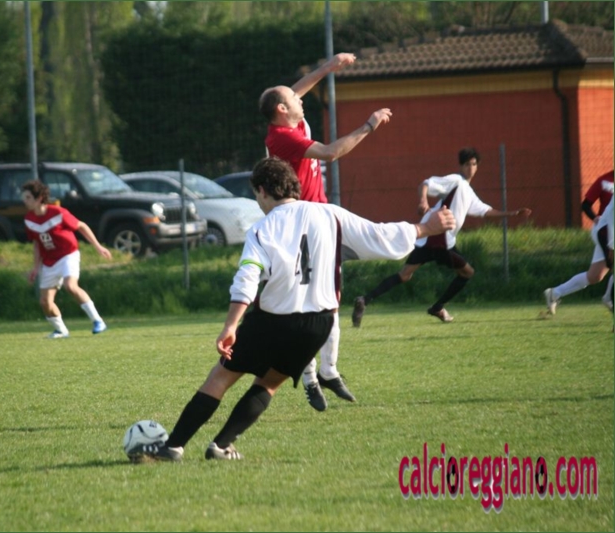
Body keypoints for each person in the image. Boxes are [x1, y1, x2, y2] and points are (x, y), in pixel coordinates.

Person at [131, 157, 456, 462]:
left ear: (262, 190)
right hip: (317, 324)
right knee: (269, 383)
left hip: (272, 320)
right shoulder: (330, 215)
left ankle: (173, 446)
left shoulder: (263, 228)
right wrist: (425, 229)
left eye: (256, 194)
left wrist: (231, 324)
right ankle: (221, 445)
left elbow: (247, 277)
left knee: (221, 377)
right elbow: (380, 235)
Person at [260, 52, 393, 410]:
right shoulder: (282, 137)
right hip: (302, 224)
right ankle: (310, 376)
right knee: (310, 303)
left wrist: (328, 67)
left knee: (328, 298)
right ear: (282, 110)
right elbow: (332, 153)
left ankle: (327, 372)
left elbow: (292, 92)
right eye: (294, 98)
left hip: (320, 218)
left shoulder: (289, 119)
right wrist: (368, 125)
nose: (300, 98)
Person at [352, 147, 532, 326]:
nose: (470, 168)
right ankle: (437, 307)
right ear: (461, 166)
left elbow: (486, 211)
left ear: (477, 166)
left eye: (474, 164)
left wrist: (512, 213)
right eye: (467, 164)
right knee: (467, 272)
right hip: (439, 240)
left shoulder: (467, 191)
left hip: (429, 240)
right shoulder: (456, 181)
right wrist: (423, 200)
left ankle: (364, 300)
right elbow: (426, 184)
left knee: (405, 275)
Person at [21, 180, 112, 338]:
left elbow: (81, 226)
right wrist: (35, 267)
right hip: (49, 261)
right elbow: (37, 244)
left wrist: (98, 246)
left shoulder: (58, 213)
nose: (25, 201)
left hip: (68, 255)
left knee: (70, 286)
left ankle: (98, 321)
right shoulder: (29, 219)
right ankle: (61, 330)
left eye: (28, 197)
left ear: (39, 198)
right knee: (45, 302)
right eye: (24, 198)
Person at [545, 170, 614, 315]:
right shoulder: (604, 181)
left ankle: (554, 293)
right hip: (604, 230)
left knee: (595, 276)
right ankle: (609, 298)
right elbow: (586, 205)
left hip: (610, 231)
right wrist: (595, 218)